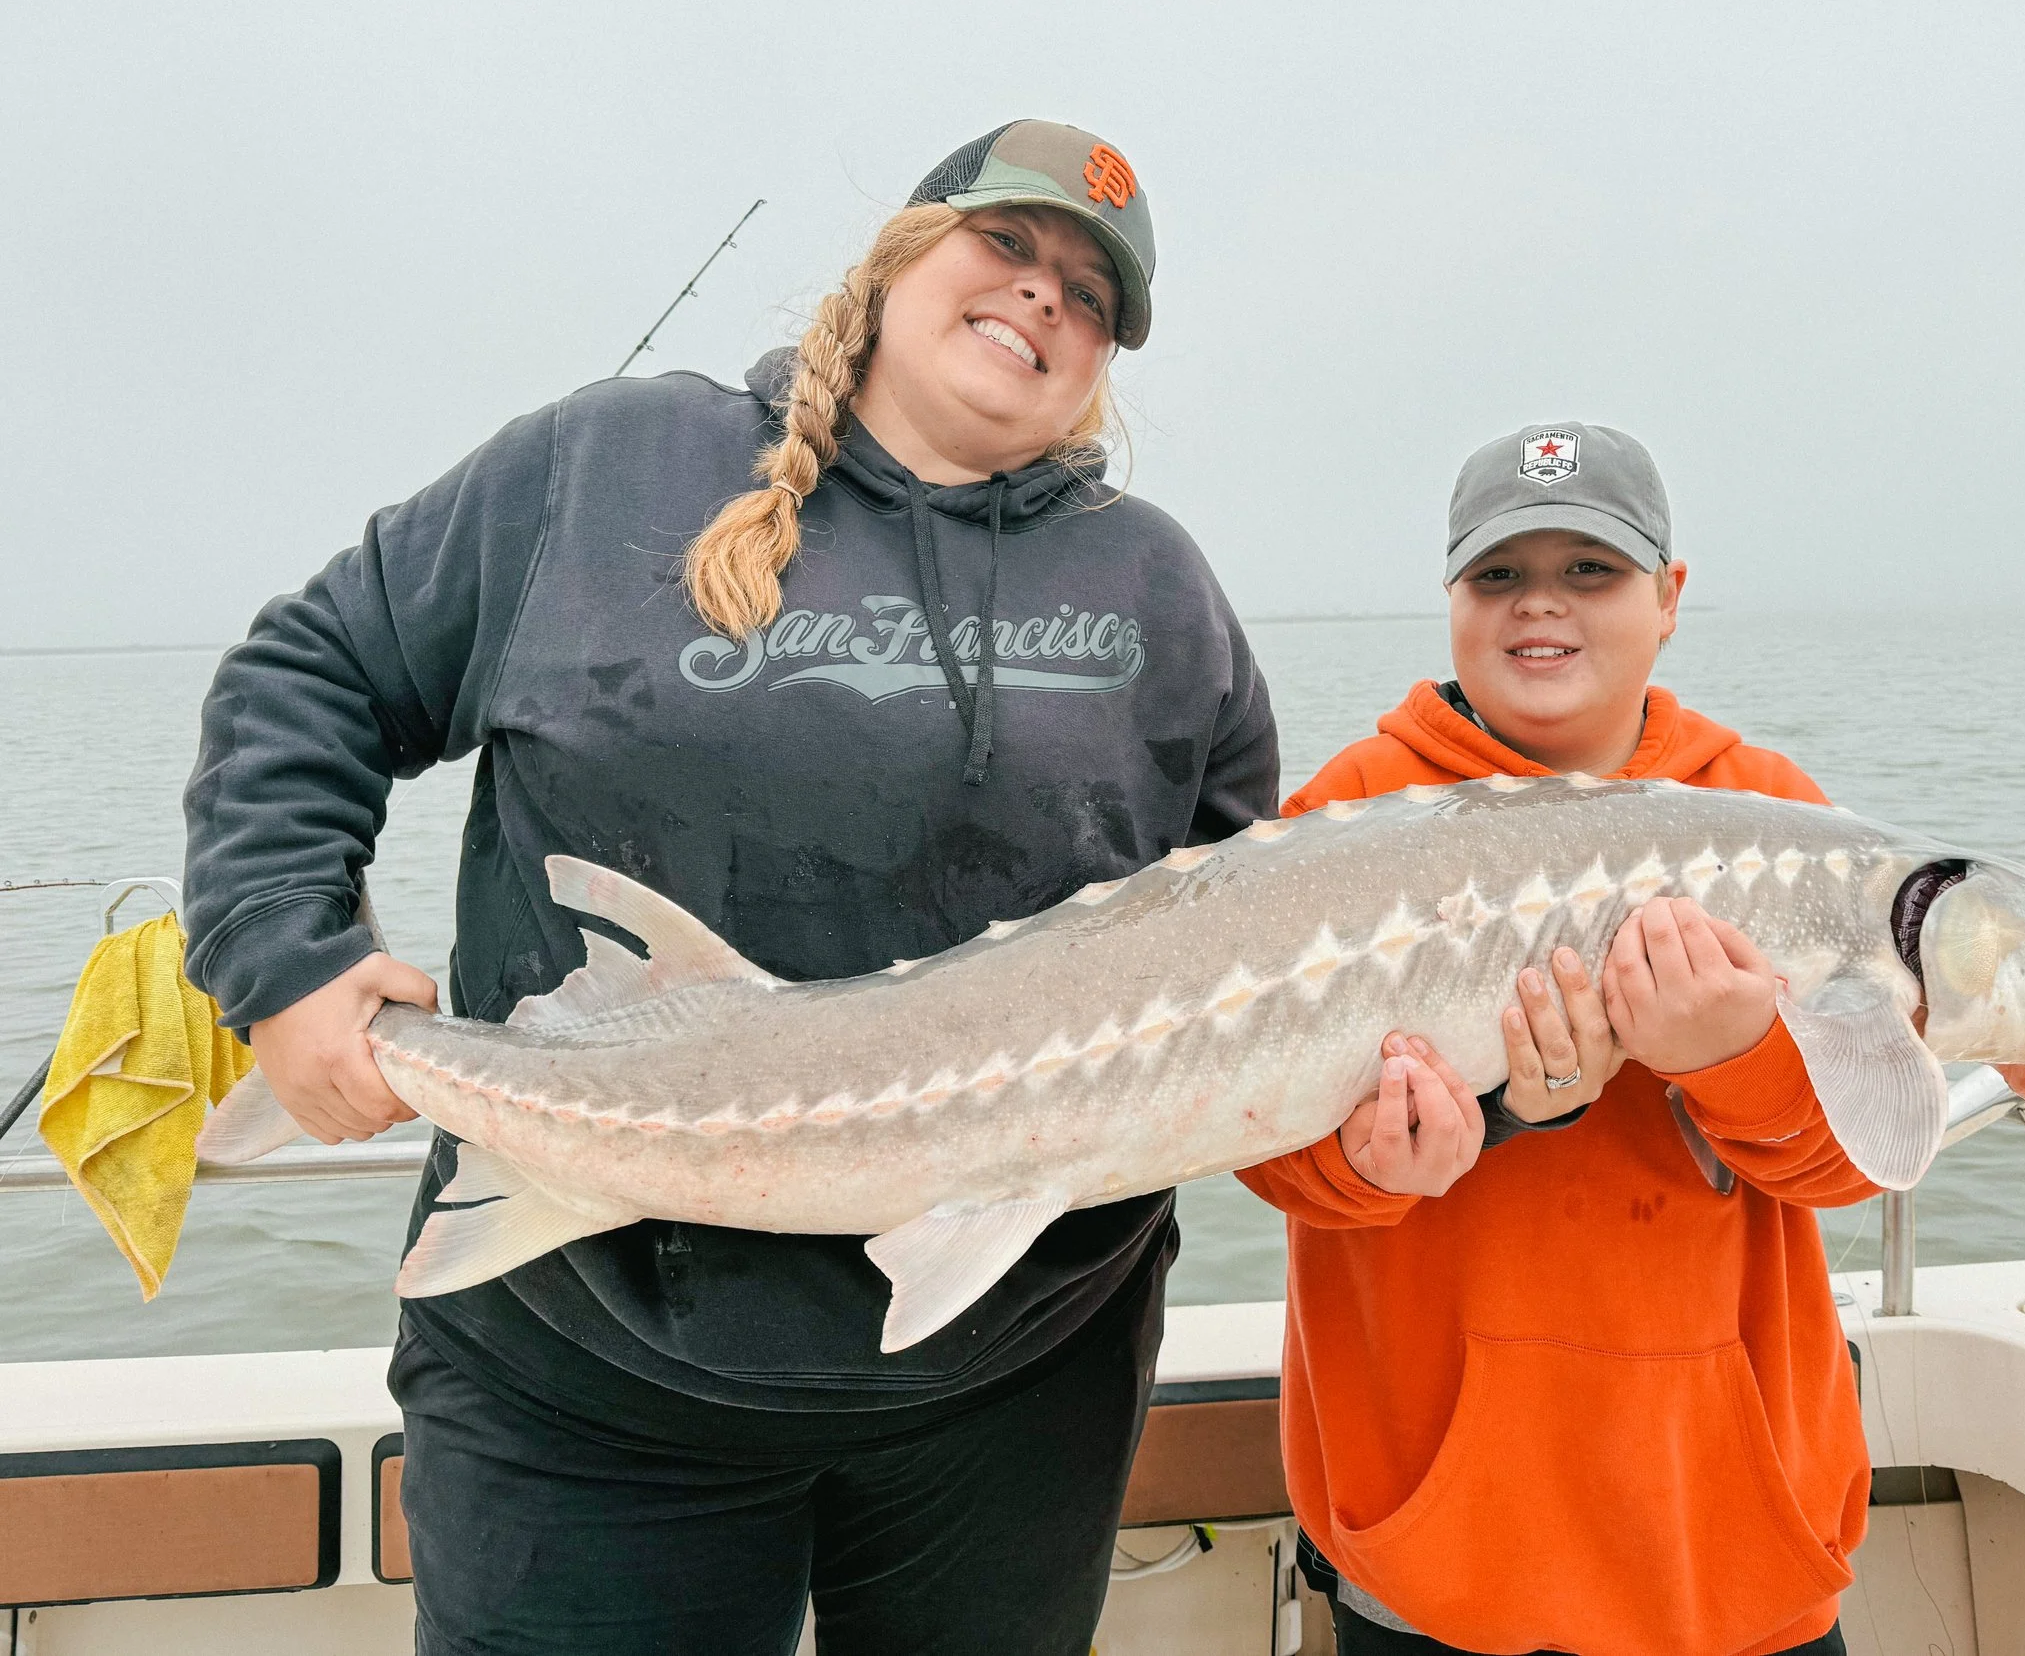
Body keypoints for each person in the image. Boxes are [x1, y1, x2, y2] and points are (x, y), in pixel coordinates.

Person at [180, 122, 1280, 1656]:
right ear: (900, 257)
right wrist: (284, 956)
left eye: (1091, 296)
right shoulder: (610, 462)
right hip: (587, 1371)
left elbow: (1246, 937)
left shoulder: (1155, 583)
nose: (1043, 299)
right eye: (1008, 248)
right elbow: (316, 672)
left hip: (1017, 1388)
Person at [1239, 424, 1879, 1656]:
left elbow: (1847, 1168)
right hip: (1437, 1552)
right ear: (1451, 601)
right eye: (1498, 575)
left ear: (1668, 597)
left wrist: (1723, 1056)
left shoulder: (1775, 813)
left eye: (1590, 570)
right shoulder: (1343, 816)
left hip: (1731, 1552)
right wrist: (1380, 1164)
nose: (1542, 607)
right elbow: (1269, 1158)